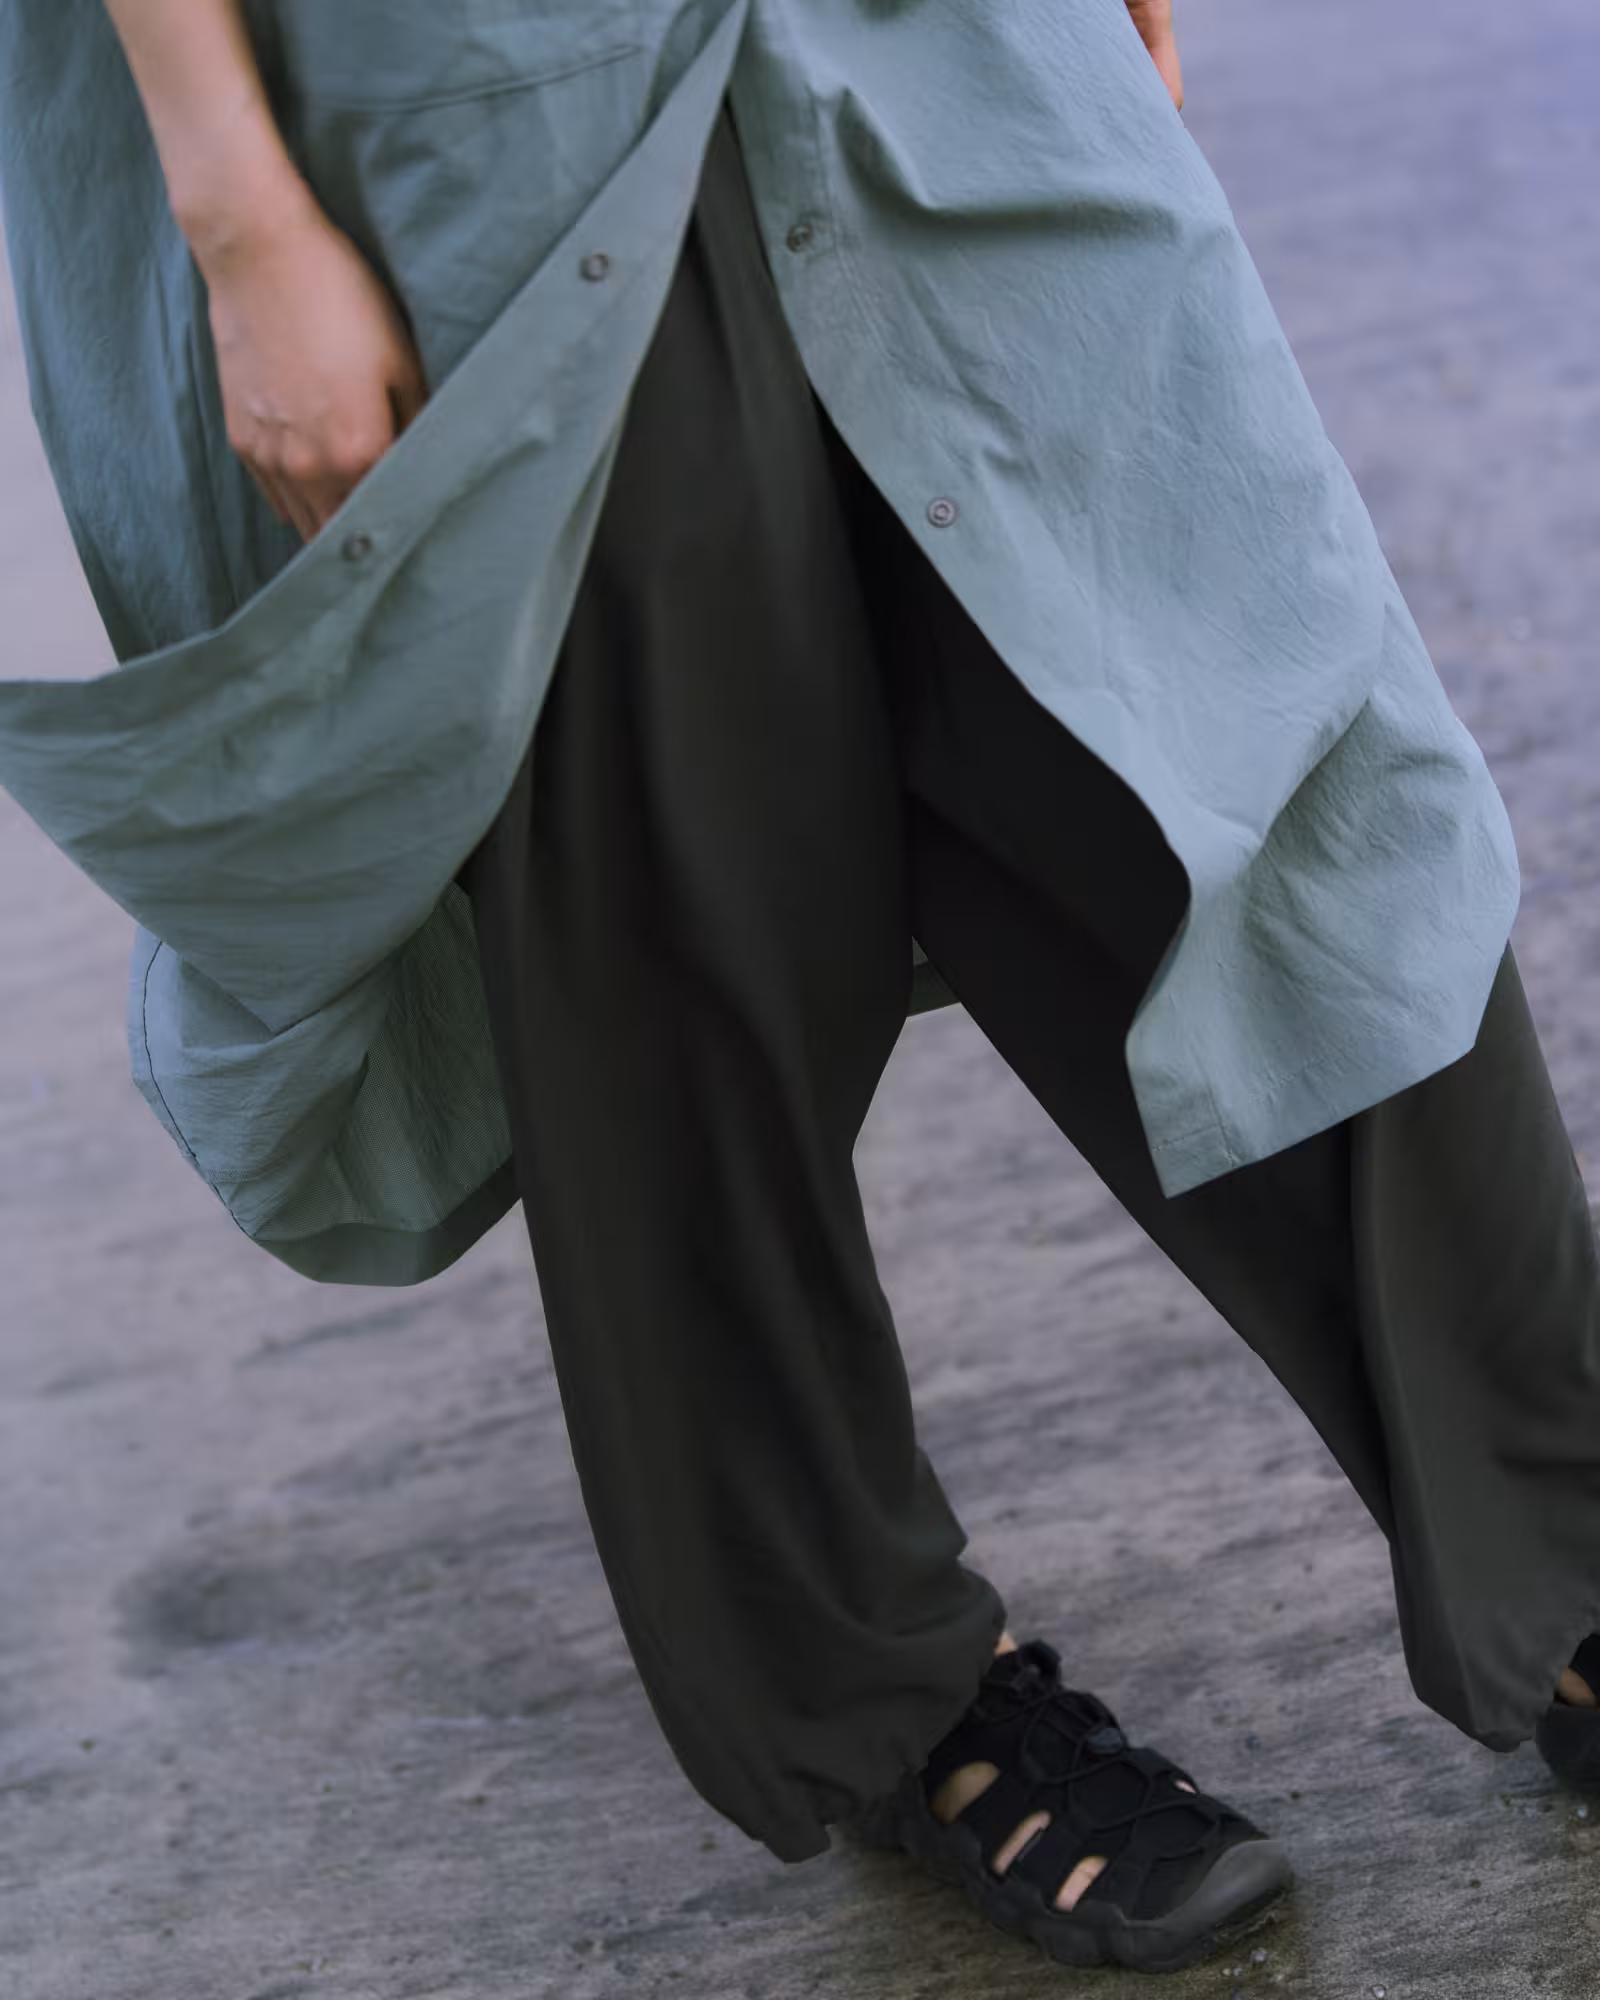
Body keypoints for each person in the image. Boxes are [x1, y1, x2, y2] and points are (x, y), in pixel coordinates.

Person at [3, 0, 1600, 1977]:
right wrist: (242, 216)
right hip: (460, 90)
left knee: (1259, 733)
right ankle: (895, 1698)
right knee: (677, 894)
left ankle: (1565, 1528)